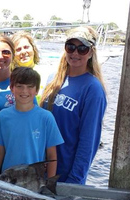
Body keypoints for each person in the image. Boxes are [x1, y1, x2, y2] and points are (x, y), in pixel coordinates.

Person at [39, 26, 107, 185]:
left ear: (91, 52)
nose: (75, 53)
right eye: (70, 47)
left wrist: (74, 181)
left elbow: (88, 141)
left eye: (82, 49)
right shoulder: (52, 80)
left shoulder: (93, 89)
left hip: (66, 177)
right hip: (40, 171)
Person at [0, 67, 64, 177]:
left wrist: (49, 182)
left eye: (30, 87)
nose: (24, 91)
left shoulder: (46, 117)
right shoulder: (3, 116)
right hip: (8, 179)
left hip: (34, 179)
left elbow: (52, 155)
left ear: (37, 90)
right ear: (12, 88)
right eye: (19, 86)